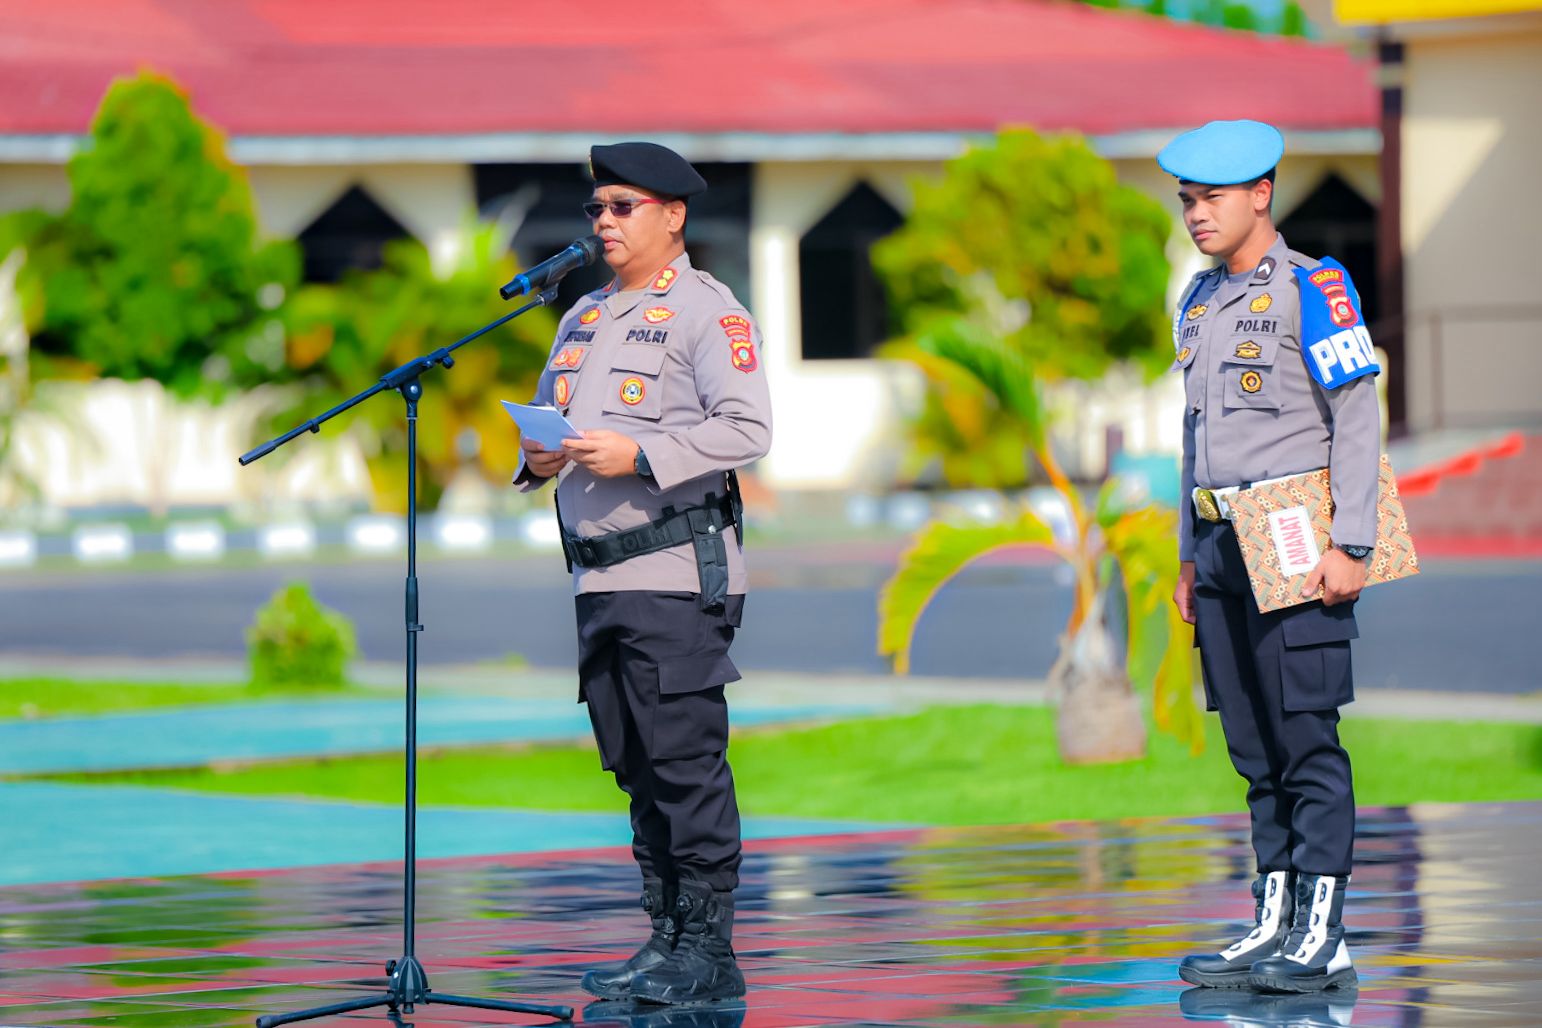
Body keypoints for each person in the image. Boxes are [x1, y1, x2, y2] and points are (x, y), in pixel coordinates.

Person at [512, 141, 771, 1005]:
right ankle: (665, 938)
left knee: (684, 760)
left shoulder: (708, 310)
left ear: (673, 215)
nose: (605, 223)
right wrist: (539, 457)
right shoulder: (581, 316)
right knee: (633, 761)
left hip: (673, 570)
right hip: (599, 580)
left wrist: (642, 452)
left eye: (623, 207)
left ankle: (709, 947)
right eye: (597, 208)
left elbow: (746, 430)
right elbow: (548, 420)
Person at [1159, 120, 1380, 994]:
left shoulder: (1313, 289)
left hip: (1293, 533)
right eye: (1186, 201)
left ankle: (1324, 936)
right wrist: (1186, 555)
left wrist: (1351, 541)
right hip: (1218, 544)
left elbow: (1356, 413)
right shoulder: (1201, 300)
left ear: (1262, 195)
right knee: (1252, 746)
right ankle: (1273, 923)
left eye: (1211, 198)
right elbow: (1194, 436)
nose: (1195, 215)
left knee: (1304, 741)